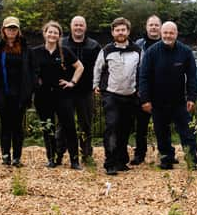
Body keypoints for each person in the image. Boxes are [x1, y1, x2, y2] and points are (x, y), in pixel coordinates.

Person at [139, 22, 197, 170]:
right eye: (165, 33)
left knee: (187, 132)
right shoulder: (151, 52)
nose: (168, 36)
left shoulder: (186, 52)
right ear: (161, 33)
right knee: (161, 133)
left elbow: (192, 77)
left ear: (176, 34)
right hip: (157, 101)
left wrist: (191, 97)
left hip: (179, 100)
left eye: (171, 33)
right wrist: (145, 99)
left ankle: (192, 160)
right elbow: (144, 77)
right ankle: (166, 159)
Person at [93, 17, 141, 176]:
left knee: (125, 129)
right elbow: (98, 68)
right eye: (117, 30)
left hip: (131, 95)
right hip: (111, 94)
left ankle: (121, 160)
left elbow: (142, 70)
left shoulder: (138, 50)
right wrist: (95, 85)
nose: (121, 32)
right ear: (113, 32)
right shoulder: (106, 50)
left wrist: (141, 89)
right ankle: (110, 163)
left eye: (123, 29)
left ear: (128, 31)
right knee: (112, 127)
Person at [33, 21, 85, 170]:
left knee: (69, 127)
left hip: (62, 94)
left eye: (55, 32)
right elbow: (29, 70)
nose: (52, 35)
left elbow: (80, 67)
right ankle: (52, 158)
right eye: (50, 32)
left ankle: (74, 160)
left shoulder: (65, 51)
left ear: (59, 35)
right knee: (47, 128)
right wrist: (35, 81)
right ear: (45, 33)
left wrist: (72, 82)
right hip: (43, 96)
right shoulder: (35, 52)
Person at [0, 16, 35, 167]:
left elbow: (33, 71)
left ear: (18, 30)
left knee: (18, 127)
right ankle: (5, 156)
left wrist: (29, 90)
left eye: (14, 28)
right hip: (3, 95)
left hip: (20, 95)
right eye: (9, 28)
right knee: (5, 126)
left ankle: (17, 157)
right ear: (3, 30)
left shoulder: (26, 50)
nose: (11, 31)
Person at [55, 16, 101, 165]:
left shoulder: (94, 46)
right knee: (63, 124)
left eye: (81, 25)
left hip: (85, 90)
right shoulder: (61, 44)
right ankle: (59, 154)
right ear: (71, 26)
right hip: (65, 90)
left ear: (85, 27)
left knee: (85, 123)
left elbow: (100, 67)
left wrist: (97, 84)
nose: (78, 28)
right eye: (76, 25)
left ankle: (86, 154)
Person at [131, 15, 162, 165]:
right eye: (151, 25)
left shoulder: (167, 43)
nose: (154, 27)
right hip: (143, 90)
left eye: (156, 25)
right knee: (141, 126)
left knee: (163, 125)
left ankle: (165, 153)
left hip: (161, 91)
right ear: (146, 27)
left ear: (161, 27)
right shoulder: (138, 44)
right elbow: (133, 68)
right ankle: (139, 154)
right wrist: (137, 87)